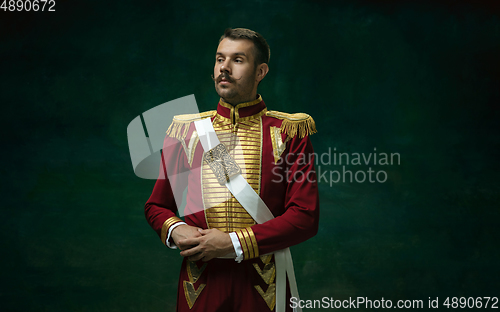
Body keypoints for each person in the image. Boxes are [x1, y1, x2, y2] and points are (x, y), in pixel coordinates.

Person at [145, 28, 319, 312]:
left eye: (237, 60)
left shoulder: (289, 132)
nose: (224, 68)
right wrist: (176, 229)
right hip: (199, 285)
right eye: (219, 59)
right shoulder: (186, 131)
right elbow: (157, 206)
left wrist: (232, 242)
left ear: (260, 71)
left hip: (264, 285)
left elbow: (305, 217)